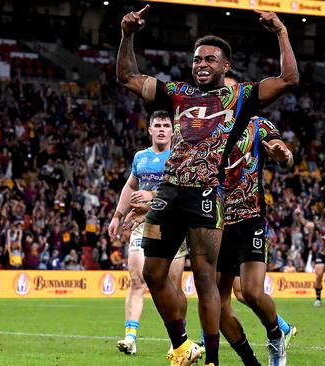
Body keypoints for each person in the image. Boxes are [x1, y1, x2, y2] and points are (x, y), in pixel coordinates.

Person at [117, 5, 298, 366]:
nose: (201, 64)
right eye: (197, 58)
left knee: (205, 281)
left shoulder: (240, 98)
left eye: (210, 59)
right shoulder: (177, 93)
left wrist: (281, 32)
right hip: (169, 190)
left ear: (225, 66)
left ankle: (213, 360)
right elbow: (127, 77)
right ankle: (182, 346)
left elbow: (289, 79)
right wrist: (127, 35)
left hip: (205, 194)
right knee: (151, 273)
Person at [217, 111, 296, 366]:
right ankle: (251, 363)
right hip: (215, 224)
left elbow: (284, 154)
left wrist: (283, 156)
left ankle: (276, 334)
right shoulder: (204, 125)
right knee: (216, 306)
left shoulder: (257, 124)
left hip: (250, 218)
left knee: (251, 292)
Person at [108, 110, 188, 356]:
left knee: (173, 286)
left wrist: (151, 197)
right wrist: (117, 215)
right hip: (145, 225)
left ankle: (178, 340)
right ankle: (130, 338)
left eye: (166, 125)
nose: (162, 129)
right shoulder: (140, 158)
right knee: (136, 279)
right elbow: (130, 185)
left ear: (173, 131)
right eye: (158, 125)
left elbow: (181, 191)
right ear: (150, 130)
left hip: (173, 225)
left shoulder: (180, 157)